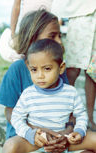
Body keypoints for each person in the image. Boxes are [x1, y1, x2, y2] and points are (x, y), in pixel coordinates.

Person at [0, 9, 96, 153]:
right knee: (11, 147)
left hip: (61, 136)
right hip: (28, 137)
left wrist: (68, 132)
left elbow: (72, 112)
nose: (59, 42)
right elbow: (10, 112)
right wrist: (35, 132)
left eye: (60, 36)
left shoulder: (58, 72)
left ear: (61, 68)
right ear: (32, 38)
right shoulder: (17, 69)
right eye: (52, 36)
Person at [11, 38, 88, 153]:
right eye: (34, 70)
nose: (40, 75)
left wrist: (79, 132)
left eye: (47, 69)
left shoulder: (70, 92)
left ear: (61, 68)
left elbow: (81, 115)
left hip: (64, 140)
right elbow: (16, 118)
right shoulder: (28, 94)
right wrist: (29, 134)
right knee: (11, 145)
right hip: (37, 142)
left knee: (94, 139)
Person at [51, 0, 96, 131]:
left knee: (93, 71)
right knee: (72, 69)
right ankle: (67, 116)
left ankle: (90, 118)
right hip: (79, 15)